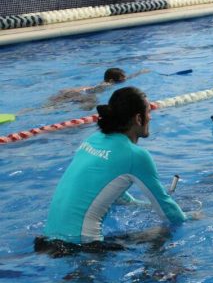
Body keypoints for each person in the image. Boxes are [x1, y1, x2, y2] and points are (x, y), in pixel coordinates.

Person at [37, 86, 186, 253]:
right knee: (163, 234)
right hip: (83, 246)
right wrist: (194, 219)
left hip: (48, 241)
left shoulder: (93, 139)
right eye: (148, 112)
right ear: (138, 118)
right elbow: (168, 212)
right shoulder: (135, 155)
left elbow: (110, 191)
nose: (150, 117)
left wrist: (141, 205)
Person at [45, 67, 146, 110]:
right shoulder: (107, 85)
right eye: (122, 78)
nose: (124, 79)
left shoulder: (106, 83)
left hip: (83, 92)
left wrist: (139, 72)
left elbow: (88, 88)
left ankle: (50, 107)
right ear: (111, 80)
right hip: (85, 96)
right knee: (90, 105)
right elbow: (90, 91)